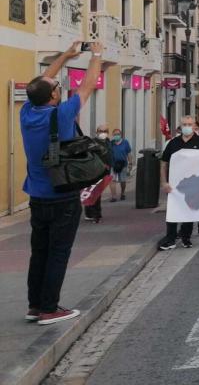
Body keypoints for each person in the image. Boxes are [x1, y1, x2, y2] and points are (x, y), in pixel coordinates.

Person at [21, 40, 103, 325]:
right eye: (57, 88)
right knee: (58, 252)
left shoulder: (27, 112)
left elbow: (41, 84)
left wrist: (65, 56)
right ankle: (50, 308)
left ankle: (35, 305)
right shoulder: (62, 113)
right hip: (62, 196)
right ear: (54, 97)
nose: (59, 88)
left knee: (40, 251)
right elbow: (89, 84)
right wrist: (97, 54)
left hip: (37, 195)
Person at [158, 115, 199, 250]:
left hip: (193, 183)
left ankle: (186, 238)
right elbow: (164, 163)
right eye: (184, 124)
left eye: (190, 124)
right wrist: (163, 182)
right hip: (174, 184)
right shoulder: (173, 143)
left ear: (194, 126)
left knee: (188, 210)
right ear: (180, 127)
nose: (187, 127)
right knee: (172, 211)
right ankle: (170, 238)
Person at [83, 124, 110, 224]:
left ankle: (93, 213)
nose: (103, 133)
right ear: (97, 132)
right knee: (94, 193)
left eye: (105, 131)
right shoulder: (93, 143)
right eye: (101, 131)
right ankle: (94, 214)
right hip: (94, 172)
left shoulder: (108, 143)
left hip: (104, 171)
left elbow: (110, 157)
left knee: (97, 193)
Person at [108, 128, 132, 202]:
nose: (116, 136)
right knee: (112, 180)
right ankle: (113, 196)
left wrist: (130, 163)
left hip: (123, 164)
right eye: (115, 134)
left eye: (118, 134)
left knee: (123, 181)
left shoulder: (125, 142)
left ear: (121, 135)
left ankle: (123, 193)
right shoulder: (111, 143)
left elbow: (129, 153)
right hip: (113, 164)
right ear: (112, 135)